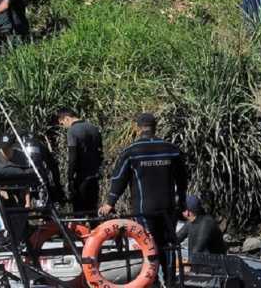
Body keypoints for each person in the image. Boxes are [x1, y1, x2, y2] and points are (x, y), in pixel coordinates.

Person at [99, 112, 187, 282]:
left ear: (137, 128)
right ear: (155, 127)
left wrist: (110, 202)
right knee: (168, 245)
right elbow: (182, 179)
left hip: (144, 209)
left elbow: (119, 179)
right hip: (168, 207)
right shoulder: (171, 149)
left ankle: (152, 282)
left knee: (149, 245)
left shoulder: (132, 151)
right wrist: (181, 201)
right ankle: (169, 282)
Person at [55, 108, 102, 214]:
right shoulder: (93, 128)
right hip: (94, 175)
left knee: (79, 211)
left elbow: (73, 156)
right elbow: (100, 152)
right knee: (92, 209)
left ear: (66, 118)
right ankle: (95, 229)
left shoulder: (73, 131)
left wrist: (70, 177)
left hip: (81, 177)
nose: (64, 127)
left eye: (62, 124)